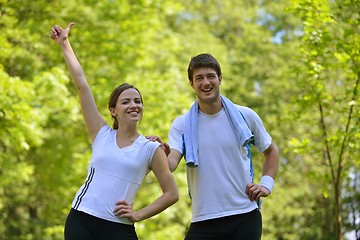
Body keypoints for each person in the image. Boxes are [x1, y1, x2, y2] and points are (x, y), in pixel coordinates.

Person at [50, 22, 179, 240]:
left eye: (138, 101)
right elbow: (82, 85)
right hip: (82, 219)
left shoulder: (151, 148)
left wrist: (138, 214)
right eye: (126, 101)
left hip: (119, 228)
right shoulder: (101, 133)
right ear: (113, 110)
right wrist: (64, 44)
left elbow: (172, 194)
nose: (134, 105)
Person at [153, 53, 279, 240]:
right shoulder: (182, 124)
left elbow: (271, 151)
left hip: (245, 215)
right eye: (199, 78)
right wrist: (158, 151)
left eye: (210, 76)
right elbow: (171, 163)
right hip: (204, 219)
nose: (206, 82)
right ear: (191, 83)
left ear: (220, 78)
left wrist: (266, 185)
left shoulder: (245, 116)